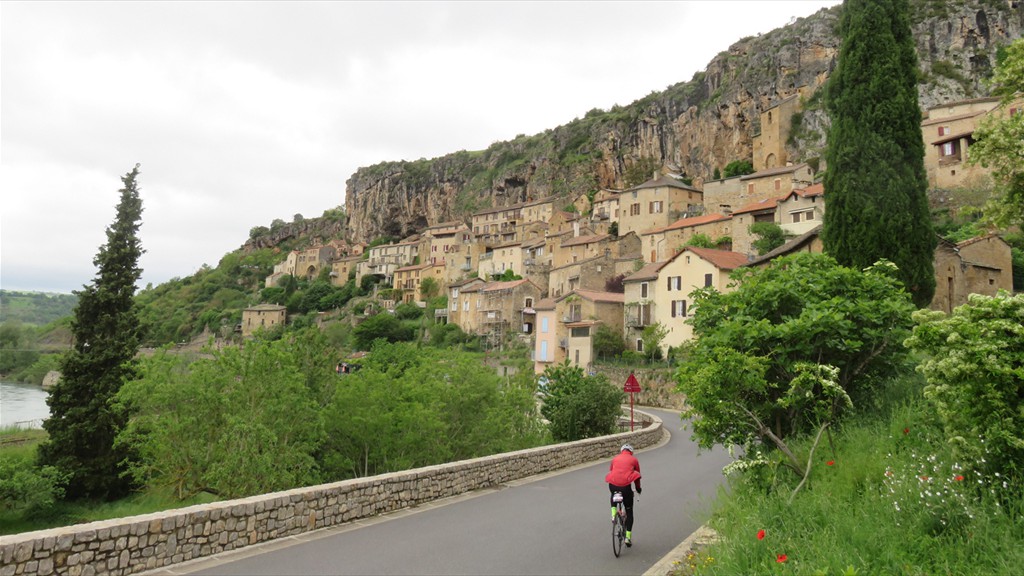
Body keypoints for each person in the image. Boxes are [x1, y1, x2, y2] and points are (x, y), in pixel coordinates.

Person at [605, 443, 642, 547]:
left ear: (622, 451)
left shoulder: (615, 458)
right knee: (629, 511)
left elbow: (612, 471)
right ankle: (628, 537)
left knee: (613, 494)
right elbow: (637, 477)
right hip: (626, 487)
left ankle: (613, 514)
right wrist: (638, 489)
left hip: (613, 484)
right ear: (631, 452)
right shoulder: (634, 460)